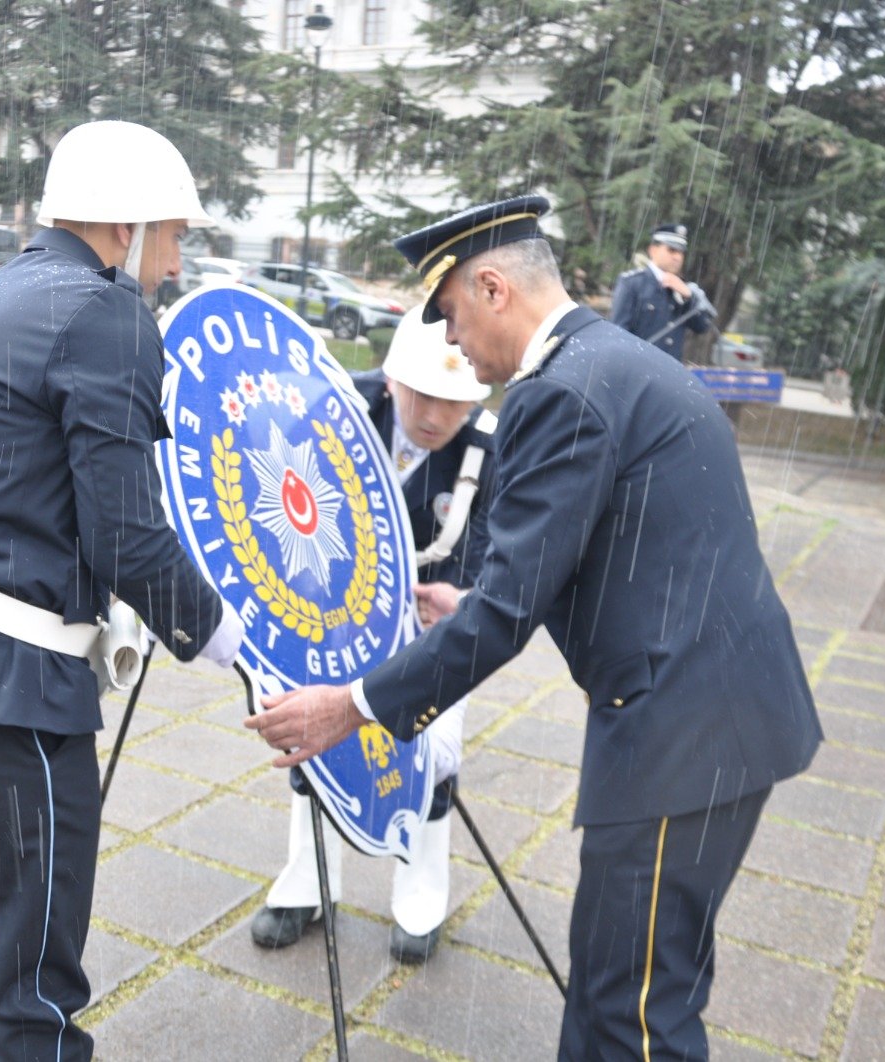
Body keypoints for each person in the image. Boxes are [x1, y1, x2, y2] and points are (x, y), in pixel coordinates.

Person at [244, 195, 822, 1059]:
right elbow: (613, 548)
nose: (452, 345)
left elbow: (509, 613)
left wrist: (352, 706)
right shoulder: (621, 360)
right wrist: (478, 603)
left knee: (630, 1014)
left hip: (677, 736)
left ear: (493, 288)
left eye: (450, 317)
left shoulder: (558, 392)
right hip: (724, 716)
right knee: (630, 984)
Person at [0, 121, 243, 1062]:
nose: (176, 260)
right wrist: (223, 637)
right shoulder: (106, 316)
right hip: (7, 697)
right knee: (32, 994)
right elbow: (127, 535)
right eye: (174, 234)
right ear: (127, 223)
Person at [249, 304, 497, 964]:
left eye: (455, 400)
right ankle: (306, 887)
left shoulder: (488, 448)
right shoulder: (337, 411)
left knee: (429, 763)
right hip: (335, 617)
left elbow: (500, 555)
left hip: (433, 630)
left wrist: (466, 600)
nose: (437, 416)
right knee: (313, 743)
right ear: (391, 379)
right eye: (423, 395)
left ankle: (421, 901)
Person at [611, 222, 713, 362]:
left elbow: (702, 327)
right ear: (653, 250)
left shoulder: (682, 288)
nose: (677, 257)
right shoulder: (632, 283)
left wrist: (688, 297)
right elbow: (619, 331)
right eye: (672, 250)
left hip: (671, 368)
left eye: (681, 252)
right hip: (639, 366)